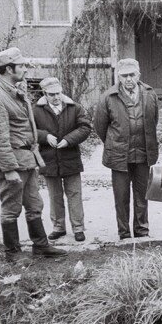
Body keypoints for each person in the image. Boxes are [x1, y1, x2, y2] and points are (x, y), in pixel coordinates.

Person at [0, 47, 66, 259]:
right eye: (21, 66)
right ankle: (13, 252)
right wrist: (8, 169)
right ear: (8, 69)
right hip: (14, 163)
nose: (26, 70)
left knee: (34, 204)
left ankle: (40, 245)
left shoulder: (13, 89)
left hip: (27, 159)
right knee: (11, 208)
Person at [94, 58, 159, 240]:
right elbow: (100, 127)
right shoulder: (108, 97)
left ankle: (142, 232)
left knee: (142, 196)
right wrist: (115, 144)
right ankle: (124, 234)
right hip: (119, 157)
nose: (128, 79)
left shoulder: (150, 93)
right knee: (121, 198)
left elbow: (154, 121)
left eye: (132, 75)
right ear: (118, 77)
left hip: (143, 154)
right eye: (124, 75)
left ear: (138, 75)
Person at [33, 77, 91, 242]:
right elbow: (28, 130)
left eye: (58, 93)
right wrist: (45, 136)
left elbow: (85, 127)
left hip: (70, 158)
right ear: (45, 94)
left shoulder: (74, 108)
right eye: (52, 94)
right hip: (49, 160)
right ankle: (58, 227)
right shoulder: (36, 110)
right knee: (54, 195)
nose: (56, 97)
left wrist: (68, 139)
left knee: (75, 194)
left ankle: (78, 228)